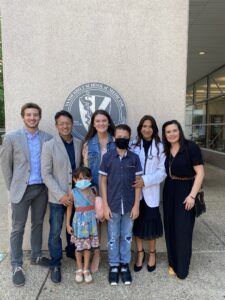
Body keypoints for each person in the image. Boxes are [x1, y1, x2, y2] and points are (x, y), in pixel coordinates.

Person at [0, 103, 52, 287]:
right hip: (21, 190)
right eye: (28, 115)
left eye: (35, 115)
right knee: (18, 227)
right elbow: (5, 165)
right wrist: (12, 187)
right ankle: (16, 264)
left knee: (37, 223)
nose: (32, 118)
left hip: (41, 189)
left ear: (39, 117)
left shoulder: (47, 138)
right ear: (23, 117)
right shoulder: (11, 137)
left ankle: (36, 255)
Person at [41, 110, 82, 284]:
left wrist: (77, 192)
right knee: (56, 231)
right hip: (57, 198)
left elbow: (82, 169)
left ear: (72, 124)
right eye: (61, 123)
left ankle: (72, 252)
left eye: (68, 123)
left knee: (74, 228)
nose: (65, 126)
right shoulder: (49, 145)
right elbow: (46, 174)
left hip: (76, 196)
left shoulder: (80, 143)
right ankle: (56, 262)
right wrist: (60, 196)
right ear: (57, 125)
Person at [99, 124, 143, 285]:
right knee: (113, 237)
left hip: (130, 205)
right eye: (119, 137)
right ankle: (114, 266)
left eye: (125, 137)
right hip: (112, 205)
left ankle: (124, 265)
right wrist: (105, 205)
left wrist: (137, 205)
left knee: (126, 236)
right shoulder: (107, 157)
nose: (122, 139)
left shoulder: (134, 158)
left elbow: (138, 183)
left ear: (129, 138)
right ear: (114, 138)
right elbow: (103, 182)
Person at [162, 120, 204, 279]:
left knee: (183, 230)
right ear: (165, 135)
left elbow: (200, 173)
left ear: (179, 131)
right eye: (168, 132)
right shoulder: (166, 150)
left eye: (174, 130)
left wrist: (192, 196)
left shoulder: (190, 147)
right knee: (170, 226)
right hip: (169, 189)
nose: (172, 134)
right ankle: (172, 263)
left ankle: (182, 267)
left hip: (186, 189)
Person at [130, 115, 166, 273]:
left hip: (151, 192)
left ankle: (152, 253)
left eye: (150, 126)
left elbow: (162, 172)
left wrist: (144, 180)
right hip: (135, 193)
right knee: (136, 224)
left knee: (151, 224)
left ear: (154, 129)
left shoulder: (160, 146)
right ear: (140, 127)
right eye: (144, 126)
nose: (147, 129)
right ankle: (140, 253)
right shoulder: (132, 144)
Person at [82, 109, 115, 273]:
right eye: (97, 121)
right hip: (95, 190)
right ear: (93, 124)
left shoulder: (116, 141)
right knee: (95, 224)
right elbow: (86, 171)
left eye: (104, 120)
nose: (101, 123)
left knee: (112, 223)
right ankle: (96, 254)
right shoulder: (88, 144)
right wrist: (89, 191)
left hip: (114, 190)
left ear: (109, 122)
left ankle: (112, 256)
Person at [66, 166, 99, 284]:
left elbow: (98, 204)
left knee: (88, 247)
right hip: (79, 224)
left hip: (91, 224)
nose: (82, 181)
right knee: (79, 248)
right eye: (80, 179)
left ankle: (86, 269)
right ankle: (79, 269)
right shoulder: (73, 192)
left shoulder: (94, 191)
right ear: (75, 180)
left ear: (90, 178)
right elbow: (69, 209)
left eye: (85, 178)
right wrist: (67, 224)